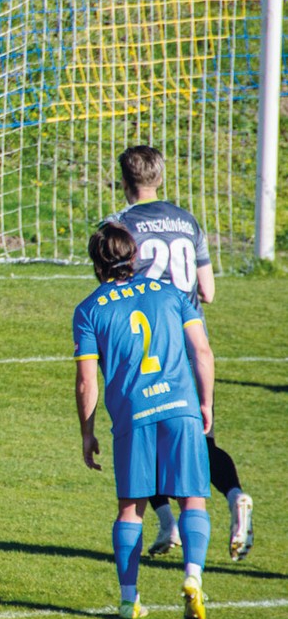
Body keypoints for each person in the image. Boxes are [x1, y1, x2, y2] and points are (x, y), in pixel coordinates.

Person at [106, 145, 252, 561]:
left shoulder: (118, 225)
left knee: (143, 433)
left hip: (145, 344)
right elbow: (207, 290)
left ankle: (168, 523)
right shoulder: (188, 222)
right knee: (198, 437)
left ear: (124, 180)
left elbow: (111, 291)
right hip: (190, 342)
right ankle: (233, 495)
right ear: (161, 177)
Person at [73, 223, 214, 619]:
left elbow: (86, 381)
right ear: (133, 256)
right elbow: (200, 350)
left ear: (96, 263)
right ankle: (193, 578)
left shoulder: (89, 310)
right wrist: (205, 403)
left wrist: (87, 431)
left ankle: (128, 598)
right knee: (192, 499)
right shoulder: (171, 294)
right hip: (180, 405)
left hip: (134, 413)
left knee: (130, 508)